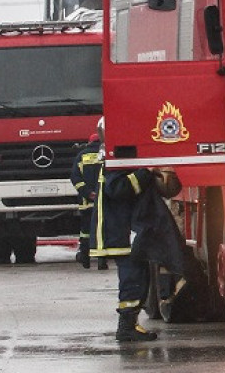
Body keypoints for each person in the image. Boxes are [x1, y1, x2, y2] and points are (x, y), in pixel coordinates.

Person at [91, 133, 184, 343]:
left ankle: (130, 324)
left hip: (127, 231)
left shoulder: (119, 162)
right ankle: (126, 327)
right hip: (120, 233)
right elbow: (118, 189)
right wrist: (145, 172)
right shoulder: (115, 165)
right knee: (132, 279)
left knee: (139, 277)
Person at [70, 132, 107, 271]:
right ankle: (102, 262)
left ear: (89, 142)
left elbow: (75, 177)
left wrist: (87, 192)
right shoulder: (105, 155)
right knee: (102, 231)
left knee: (86, 231)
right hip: (103, 201)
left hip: (86, 202)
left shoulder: (81, 156)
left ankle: (85, 259)